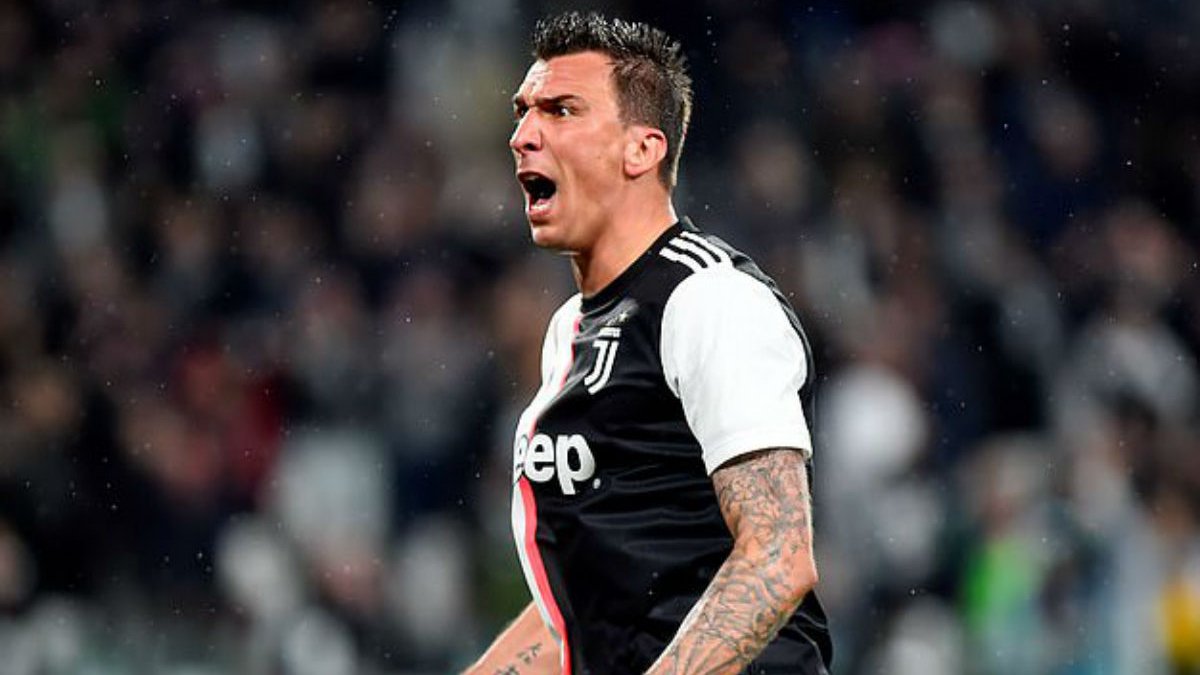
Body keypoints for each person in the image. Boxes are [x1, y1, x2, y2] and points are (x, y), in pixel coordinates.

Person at [466, 12, 831, 675]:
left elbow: (777, 558)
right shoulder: (570, 329)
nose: (522, 136)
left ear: (642, 150)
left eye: (561, 110)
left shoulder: (710, 300)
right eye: (523, 114)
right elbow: (579, 613)